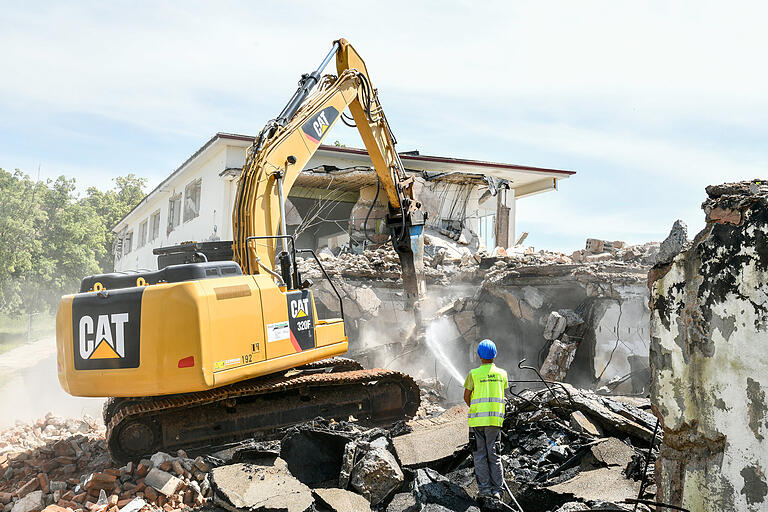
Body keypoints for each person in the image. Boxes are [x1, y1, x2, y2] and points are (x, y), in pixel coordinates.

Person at [463, 339, 508, 503]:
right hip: (495, 422)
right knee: (495, 455)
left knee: (480, 455)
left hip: (476, 423)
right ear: (495, 354)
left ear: (479, 355)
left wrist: (475, 408)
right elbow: (502, 393)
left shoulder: (473, 374)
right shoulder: (502, 374)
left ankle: (484, 490)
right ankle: (497, 491)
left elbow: (466, 397)